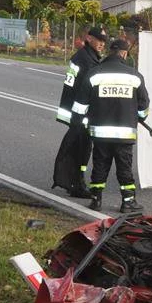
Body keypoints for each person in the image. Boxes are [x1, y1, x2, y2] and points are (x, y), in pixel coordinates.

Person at [72, 38, 149, 212]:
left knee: (100, 165)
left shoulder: (94, 74)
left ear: (109, 51)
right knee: (124, 168)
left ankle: (96, 200)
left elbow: (80, 106)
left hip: (100, 133)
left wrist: (78, 123)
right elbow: (143, 107)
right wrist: (138, 116)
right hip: (125, 134)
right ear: (123, 53)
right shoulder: (135, 76)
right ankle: (128, 202)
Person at [51, 26, 107, 197]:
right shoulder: (85, 59)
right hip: (80, 112)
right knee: (80, 149)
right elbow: (85, 89)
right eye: (99, 40)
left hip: (76, 110)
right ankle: (76, 184)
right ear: (89, 38)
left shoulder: (86, 56)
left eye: (104, 41)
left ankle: (75, 181)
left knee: (81, 147)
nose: (102, 44)